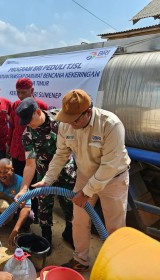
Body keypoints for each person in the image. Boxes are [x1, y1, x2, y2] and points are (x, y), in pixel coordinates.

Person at [34, 89, 131, 271]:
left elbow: (109, 165)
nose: (71, 124)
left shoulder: (110, 124)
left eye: (75, 119)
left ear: (88, 112)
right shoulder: (67, 124)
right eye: (68, 119)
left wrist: (86, 192)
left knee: (114, 226)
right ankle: (81, 260)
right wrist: (48, 179)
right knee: (78, 220)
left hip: (113, 179)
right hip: (85, 176)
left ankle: (116, 268)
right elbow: (61, 154)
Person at [14, 97, 76, 254]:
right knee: (44, 207)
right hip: (44, 176)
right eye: (25, 121)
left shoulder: (59, 120)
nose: (28, 124)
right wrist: (24, 188)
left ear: (38, 112)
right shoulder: (28, 134)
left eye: (29, 120)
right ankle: (46, 238)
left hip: (66, 172)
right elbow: (30, 163)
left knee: (70, 205)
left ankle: (69, 232)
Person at [8, 78, 48, 223]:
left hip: (33, 154)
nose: (20, 95)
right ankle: (20, 210)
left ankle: (35, 212)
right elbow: (12, 127)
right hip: (17, 150)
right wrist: (9, 144)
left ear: (32, 90)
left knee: (34, 183)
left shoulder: (41, 106)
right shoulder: (15, 106)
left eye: (23, 92)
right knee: (19, 181)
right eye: (18, 92)